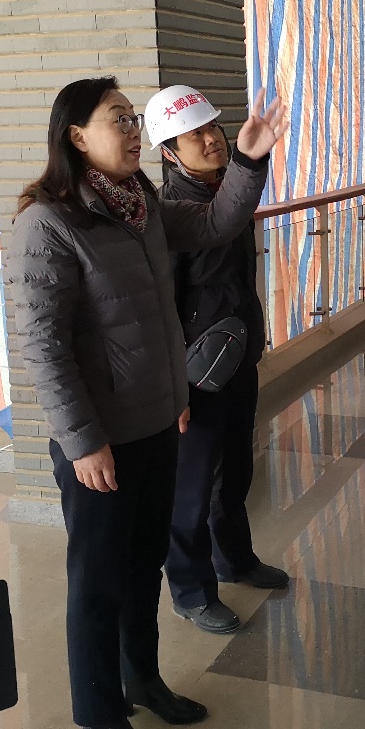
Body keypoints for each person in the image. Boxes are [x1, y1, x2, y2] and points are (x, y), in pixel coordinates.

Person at [9, 78, 286, 729]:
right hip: (100, 444)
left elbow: (216, 224)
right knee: (97, 585)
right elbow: (43, 347)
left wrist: (249, 160)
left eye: (134, 118)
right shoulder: (46, 223)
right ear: (77, 137)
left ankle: (144, 683)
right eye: (118, 119)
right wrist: (83, 443)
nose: (133, 130)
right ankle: (99, 712)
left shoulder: (142, 209)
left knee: (141, 572)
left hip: (156, 425)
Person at [144, 85, 290, 636]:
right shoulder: (171, 216)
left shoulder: (227, 191)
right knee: (190, 490)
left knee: (234, 473)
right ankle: (191, 592)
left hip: (235, 362)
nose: (210, 139)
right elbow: (161, 308)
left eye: (212, 127)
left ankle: (235, 561)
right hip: (195, 378)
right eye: (194, 135)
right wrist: (173, 389)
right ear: (169, 153)